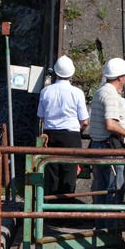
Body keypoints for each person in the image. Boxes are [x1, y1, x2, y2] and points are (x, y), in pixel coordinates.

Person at [88, 58, 125, 229]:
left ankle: (101, 227)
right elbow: (111, 124)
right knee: (114, 189)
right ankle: (111, 230)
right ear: (121, 77)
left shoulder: (99, 92)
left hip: (97, 145)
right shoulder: (111, 95)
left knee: (101, 189)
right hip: (110, 147)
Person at [37, 55, 90, 202]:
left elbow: (41, 117)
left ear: (56, 72)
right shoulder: (77, 93)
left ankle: (50, 209)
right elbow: (84, 121)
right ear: (71, 74)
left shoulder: (45, 92)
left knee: (52, 171)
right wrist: (79, 130)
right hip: (71, 136)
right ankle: (65, 210)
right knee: (69, 173)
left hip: (50, 135)